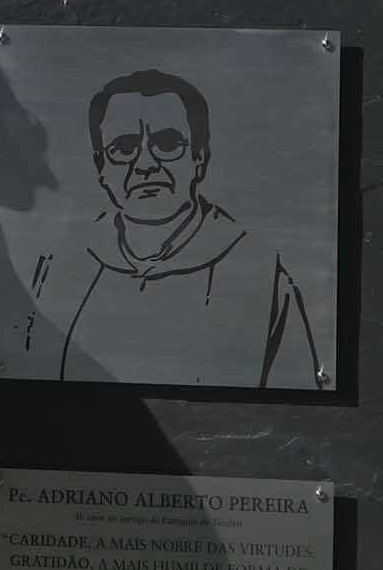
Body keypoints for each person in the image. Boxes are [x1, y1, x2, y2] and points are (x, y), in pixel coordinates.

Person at [23, 68, 321, 387]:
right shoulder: (59, 267)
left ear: (199, 157)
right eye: (124, 148)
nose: (146, 164)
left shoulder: (261, 276)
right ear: (101, 167)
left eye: (167, 144)